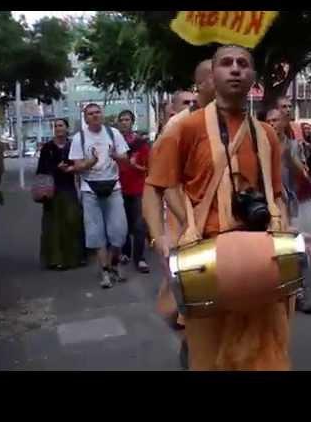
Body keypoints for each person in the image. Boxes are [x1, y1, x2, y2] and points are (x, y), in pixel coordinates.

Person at [143, 45, 293, 371]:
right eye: (226, 63)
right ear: (213, 75)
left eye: (243, 64)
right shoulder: (185, 129)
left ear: (253, 77)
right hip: (206, 257)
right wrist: (161, 240)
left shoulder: (266, 133)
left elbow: (277, 196)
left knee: (264, 351)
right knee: (210, 354)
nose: (236, 69)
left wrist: (288, 234)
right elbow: (153, 190)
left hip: (258, 256)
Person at [147, 59, 217, 369]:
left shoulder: (236, 124)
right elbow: (157, 185)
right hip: (186, 223)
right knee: (193, 293)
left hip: (225, 227)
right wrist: (160, 233)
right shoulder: (177, 129)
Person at [69, 103, 129, 289]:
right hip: (90, 189)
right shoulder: (79, 138)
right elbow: (76, 167)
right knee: (96, 233)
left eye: (97, 112)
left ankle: (114, 263)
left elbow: (125, 159)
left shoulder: (113, 134)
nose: (95, 116)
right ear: (85, 118)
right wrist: (91, 162)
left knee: (119, 231)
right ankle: (105, 270)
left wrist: (116, 156)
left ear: (102, 115)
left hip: (113, 186)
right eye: (90, 114)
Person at [266, 107, 311, 314]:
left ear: (283, 122)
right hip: (269, 204)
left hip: (291, 201)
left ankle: (299, 292)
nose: (272, 124)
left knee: (296, 247)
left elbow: (302, 175)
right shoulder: (260, 145)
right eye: (268, 120)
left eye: (275, 120)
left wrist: (290, 160)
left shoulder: (293, 145)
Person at [36, 118, 85, 270]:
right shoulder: (47, 147)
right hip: (51, 190)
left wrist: (71, 169)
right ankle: (55, 259)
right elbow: (41, 170)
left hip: (69, 187)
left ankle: (74, 258)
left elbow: (80, 165)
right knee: (54, 225)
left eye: (61, 125)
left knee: (72, 221)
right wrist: (56, 168)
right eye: (55, 126)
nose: (58, 128)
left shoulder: (73, 145)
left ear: (67, 128)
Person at [116, 110, 150, 273]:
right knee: (123, 225)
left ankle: (140, 258)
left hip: (138, 189)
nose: (124, 122)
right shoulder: (114, 143)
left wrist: (134, 165)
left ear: (132, 122)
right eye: (121, 120)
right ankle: (125, 253)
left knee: (139, 225)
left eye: (127, 119)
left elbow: (149, 167)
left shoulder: (141, 144)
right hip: (118, 188)